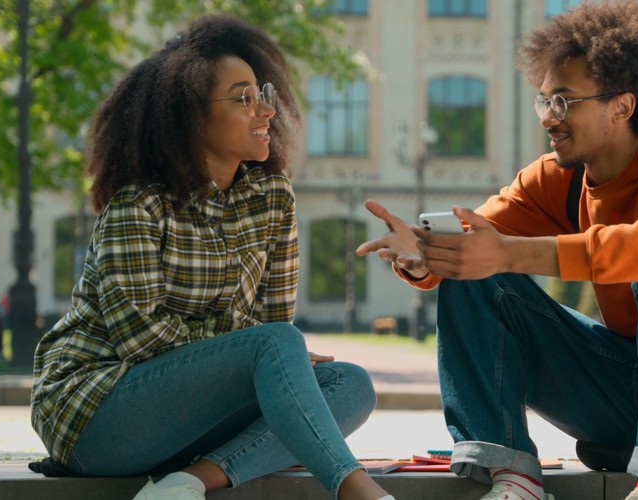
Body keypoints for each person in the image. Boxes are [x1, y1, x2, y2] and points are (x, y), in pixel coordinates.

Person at [356, 2, 638, 499]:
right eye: (544, 101)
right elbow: (479, 246)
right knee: (477, 269)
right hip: (632, 399)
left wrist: (509, 254)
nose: (549, 118)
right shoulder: (554, 179)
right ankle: (513, 475)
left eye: (564, 102)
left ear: (622, 106)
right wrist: (423, 254)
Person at [29, 16, 393, 500]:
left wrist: (266, 354)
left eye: (262, 92)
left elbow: (272, 320)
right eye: (243, 98)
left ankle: (186, 483)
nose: (266, 110)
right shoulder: (138, 205)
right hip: (95, 413)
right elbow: (144, 341)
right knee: (278, 347)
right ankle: (357, 490)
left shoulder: (272, 198)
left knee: (350, 384)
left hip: (187, 425)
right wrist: (259, 352)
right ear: (190, 116)